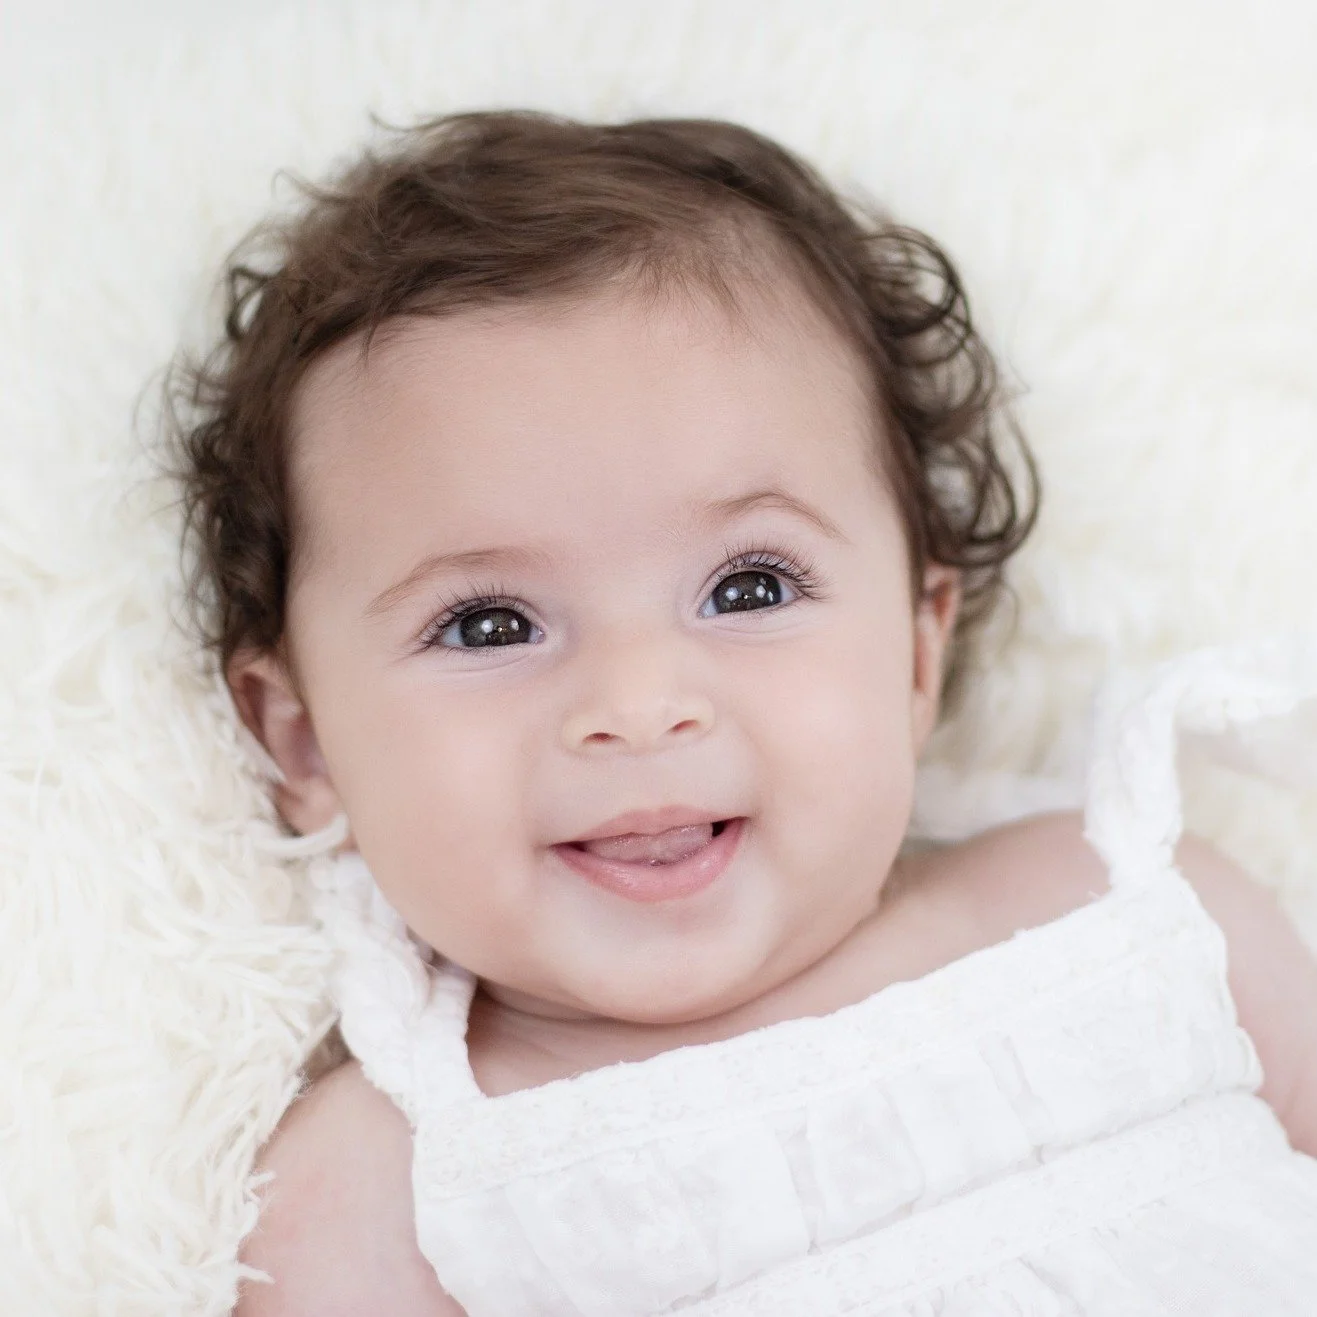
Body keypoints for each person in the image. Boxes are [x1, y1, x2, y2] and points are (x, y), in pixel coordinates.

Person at [162, 110, 1317, 1314]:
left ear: (919, 651)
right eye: (490, 624)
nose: (638, 706)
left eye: (749, 588)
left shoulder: (1131, 907)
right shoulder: (385, 1194)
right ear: (301, 740)